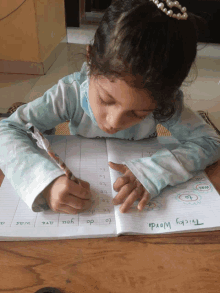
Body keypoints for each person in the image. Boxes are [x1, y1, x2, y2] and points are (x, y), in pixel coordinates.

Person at [0, 0, 220, 215]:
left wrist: (156, 171)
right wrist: (45, 182)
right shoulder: (70, 93)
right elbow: (7, 130)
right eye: (106, 100)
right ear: (91, 61)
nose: (114, 122)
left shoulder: (165, 103)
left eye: (139, 113)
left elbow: (211, 142)